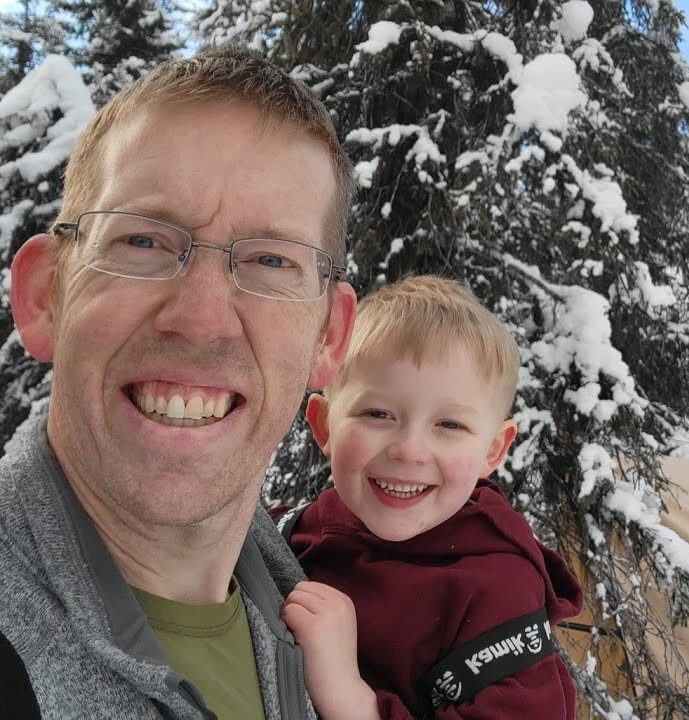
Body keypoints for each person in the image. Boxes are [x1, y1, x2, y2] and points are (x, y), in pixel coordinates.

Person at [0, 47, 358, 719]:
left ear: (330, 337)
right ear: (45, 296)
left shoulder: (324, 643)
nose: (200, 319)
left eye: (271, 259)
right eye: (143, 242)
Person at [273, 275, 584, 719]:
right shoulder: (290, 531)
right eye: (378, 413)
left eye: (450, 425)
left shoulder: (497, 589)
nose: (410, 450)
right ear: (324, 426)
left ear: (492, 450)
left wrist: (350, 698)